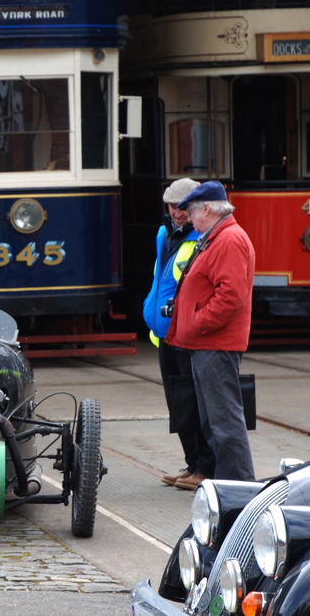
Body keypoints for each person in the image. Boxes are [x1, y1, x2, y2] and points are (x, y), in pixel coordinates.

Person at [166, 180, 256, 483]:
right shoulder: (216, 236)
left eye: (191, 212)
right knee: (214, 421)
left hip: (215, 344)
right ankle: (228, 485)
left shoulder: (228, 239)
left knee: (225, 423)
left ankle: (240, 490)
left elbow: (231, 296)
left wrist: (196, 322)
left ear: (207, 208)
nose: (188, 218)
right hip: (207, 343)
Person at [143, 178, 216, 490]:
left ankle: (205, 468)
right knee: (179, 404)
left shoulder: (203, 237)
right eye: (172, 206)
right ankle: (192, 465)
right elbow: (161, 276)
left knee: (196, 403)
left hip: (187, 335)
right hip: (165, 335)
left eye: (182, 207)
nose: (176, 212)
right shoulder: (164, 234)